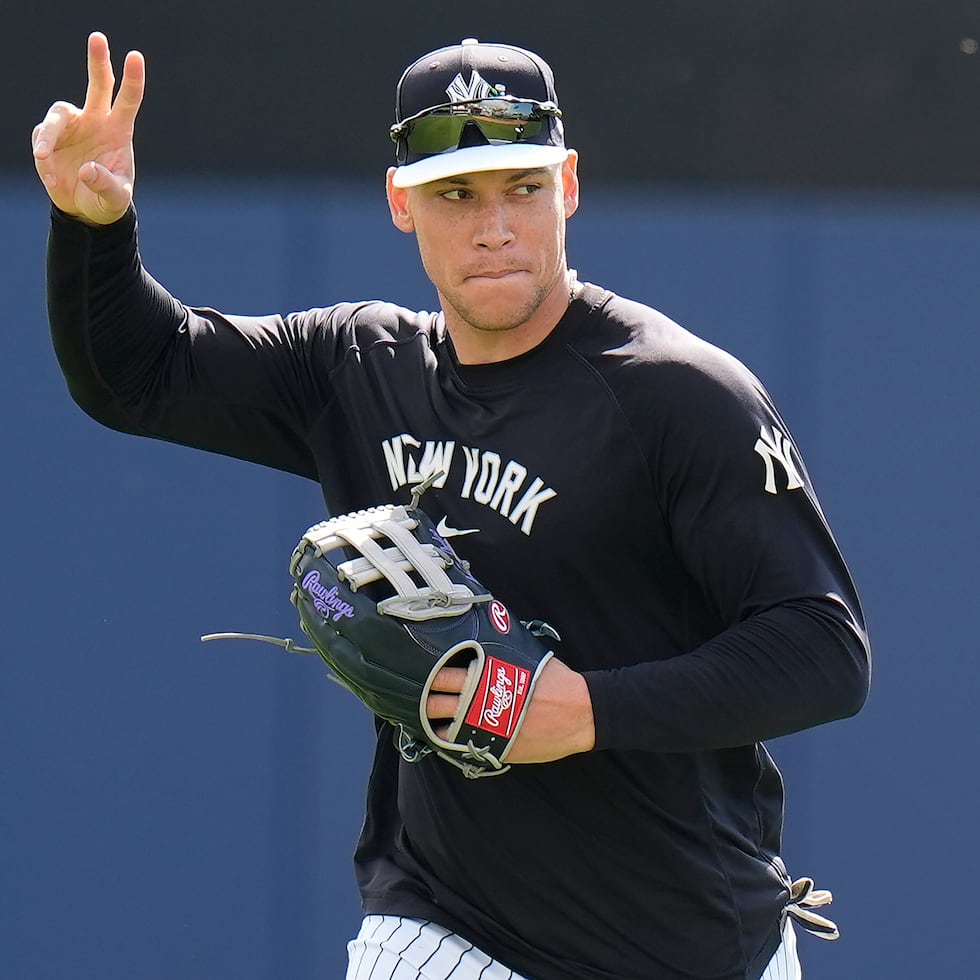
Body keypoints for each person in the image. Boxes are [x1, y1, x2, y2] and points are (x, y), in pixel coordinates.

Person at [33, 31, 871, 980]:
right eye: (456, 193)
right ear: (402, 203)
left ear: (570, 186)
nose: (494, 226)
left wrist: (588, 709)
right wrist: (90, 224)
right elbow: (138, 373)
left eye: (522, 186)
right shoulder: (357, 368)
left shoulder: (677, 394)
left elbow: (822, 651)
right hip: (444, 926)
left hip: (694, 938)